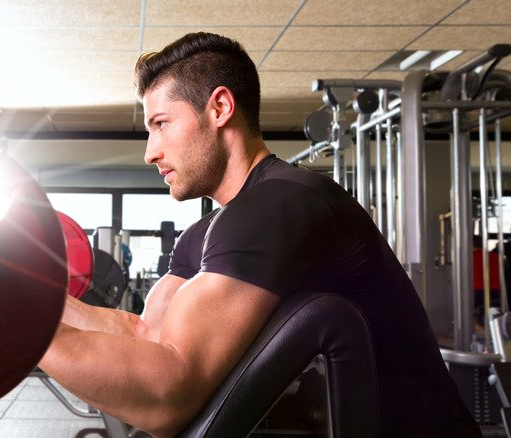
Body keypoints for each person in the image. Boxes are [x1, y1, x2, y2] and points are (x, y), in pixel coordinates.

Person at [38, 32, 479, 437]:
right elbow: (140, 333)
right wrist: (25, 293)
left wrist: (13, 328)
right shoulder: (206, 232)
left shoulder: (282, 204)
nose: (151, 153)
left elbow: (168, 393)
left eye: (162, 124)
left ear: (219, 108)